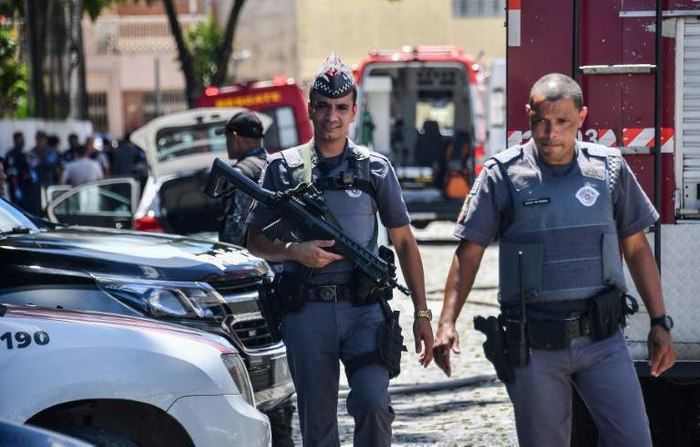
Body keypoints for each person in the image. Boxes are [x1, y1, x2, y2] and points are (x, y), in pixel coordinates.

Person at [433, 73, 676, 447]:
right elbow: (469, 254)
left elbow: (637, 249)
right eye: (541, 122)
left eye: (562, 122)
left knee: (634, 440)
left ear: (582, 117)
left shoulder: (609, 169)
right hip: (535, 346)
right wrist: (446, 322)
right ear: (528, 115)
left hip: (603, 341)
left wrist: (660, 322)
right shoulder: (502, 174)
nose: (550, 133)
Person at [246, 54, 434, 447]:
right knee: (318, 429)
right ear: (311, 107)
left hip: (363, 309)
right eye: (324, 106)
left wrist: (422, 312)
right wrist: (295, 251)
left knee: (373, 403)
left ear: (354, 112)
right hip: (306, 312)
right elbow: (254, 240)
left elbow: (403, 241)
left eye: (341, 108)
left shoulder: (375, 169)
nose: (332, 115)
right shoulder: (282, 169)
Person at [215, 110, 268, 246]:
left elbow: (235, 227)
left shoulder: (239, 174)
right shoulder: (278, 164)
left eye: (227, 138)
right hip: (281, 255)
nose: (227, 143)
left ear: (234, 137)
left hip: (251, 260)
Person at [5, 131, 41, 215]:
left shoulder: (25, 154)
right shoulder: (11, 155)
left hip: (28, 189)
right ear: (15, 140)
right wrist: (16, 189)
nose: (22, 141)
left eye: (22, 139)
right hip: (18, 187)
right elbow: (12, 175)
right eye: (19, 139)